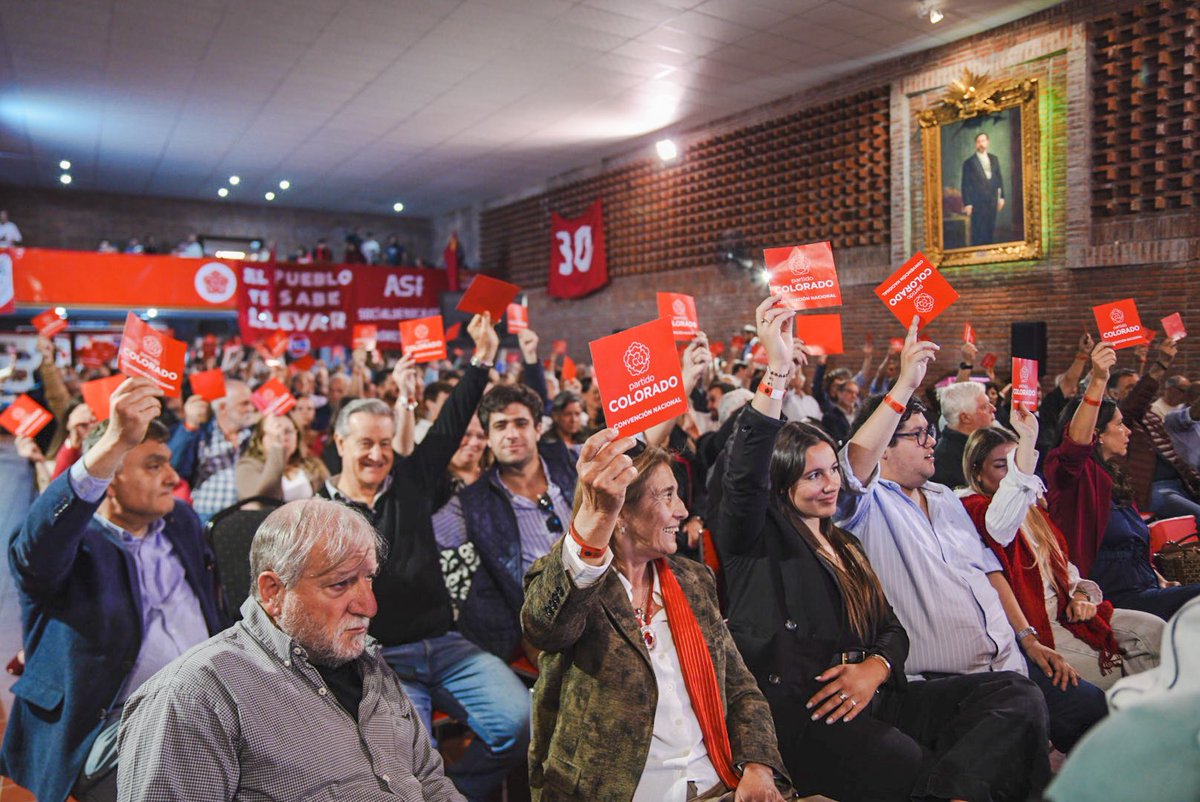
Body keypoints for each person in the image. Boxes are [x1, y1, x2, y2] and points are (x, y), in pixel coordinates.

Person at [719, 297, 1050, 801]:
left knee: (1016, 695)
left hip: (875, 693)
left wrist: (874, 668)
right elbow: (744, 475)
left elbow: (891, 629)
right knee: (910, 761)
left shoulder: (843, 543)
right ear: (783, 482)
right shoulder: (756, 541)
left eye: (832, 470)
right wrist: (778, 372)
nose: (831, 485)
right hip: (812, 711)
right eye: (813, 475)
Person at [836, 317, 1106, 754]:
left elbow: (990, 569)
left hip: (1009, 660)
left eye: (930, 432)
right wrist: (904, 384)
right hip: (949, 683)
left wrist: (1028, 638)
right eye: (917, 435)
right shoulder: (866, 506)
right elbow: (852, 468)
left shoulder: (943, 497)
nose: (930, 442)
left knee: (1091, 710)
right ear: (886, 446)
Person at [116, 499, 464, 802]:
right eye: (341, 583)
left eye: (368, 578)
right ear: (272, 592)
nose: (369, 606)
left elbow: (430, 781)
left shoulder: (367, 663)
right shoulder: (194, 697)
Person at [319, 313, 529, 802]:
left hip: (448, 645)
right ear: (340, 444)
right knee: (410, 762)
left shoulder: (411, 481)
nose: (376, 454)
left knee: (520, 724)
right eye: (365, 444)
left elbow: (454, 421)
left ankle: (457, 793)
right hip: (380, 660)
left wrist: (481, 359)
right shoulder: (319, 513)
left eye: (385, 443)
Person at [522, 433, 790, 802]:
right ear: (622, 514)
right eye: (666, 495)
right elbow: (545, 628)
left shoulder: (693, 579)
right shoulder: (575, 582)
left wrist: (758, 767)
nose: (682, 509)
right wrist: (597, 515)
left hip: (718, 781)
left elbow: (740, 689)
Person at [0, 378, 223, 802]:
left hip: (204, 707)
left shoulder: (182, 523)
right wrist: (114, 442)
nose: (173, 477)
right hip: (107, 724)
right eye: (154, 465)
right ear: (111, 477)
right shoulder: (70, 543)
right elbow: (35, 548)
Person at [961, 414, 1163, 690]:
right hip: (1034, 618)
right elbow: (999, 530)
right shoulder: (974, 511)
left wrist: (1080, 595)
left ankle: (1157, 716)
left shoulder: (1033, 511)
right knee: (1112, 668)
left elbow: (1066, 569)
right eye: (1001, 466)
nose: (1013, 476)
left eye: (1018, 465)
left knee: (1157, 632)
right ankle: (1132, 718)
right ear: (977, 473)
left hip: (1065, 605)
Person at [1046, 342, 1200, 620]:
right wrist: (1099, 379)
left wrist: (1159, 579)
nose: (1127, 430)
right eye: (1119, 424)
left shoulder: (1112, 478)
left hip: (1146, 591)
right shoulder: (1072, 478)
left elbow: (1131, 546)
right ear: (1097, 434)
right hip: (1112, 600)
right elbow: (1075, 445)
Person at [434, 383, 577, 659]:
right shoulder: (472, 505)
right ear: (488, 437)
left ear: (538, 428)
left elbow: (639, 447)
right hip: (541, 625)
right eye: (500, 426)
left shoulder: (571, 461)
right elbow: (417, 539)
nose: (511, 434)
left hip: (604, 597)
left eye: (520, 423)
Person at [167, 380, 260, 522]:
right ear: (223, 407)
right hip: (204, 518)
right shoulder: (202, 434)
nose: (251, 408)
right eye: (244, 403)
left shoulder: (255, 435)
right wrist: (190, 425)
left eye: (251, 403)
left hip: (244, 520)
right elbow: (172, 465)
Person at [234, 413, 330, 502]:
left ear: (297, 435)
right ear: (261, 439)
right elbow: (262, 498)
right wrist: (277, 447)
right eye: (276, 433)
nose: (282, 437)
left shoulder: (314, 465)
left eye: (288, 431)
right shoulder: (247, 466)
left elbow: (329, 499)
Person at [931, 381, 996, 488]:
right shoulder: (946, 464)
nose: (993, 408)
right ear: (965, 418)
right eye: (984, 407)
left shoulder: (980, 444)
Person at [961, 132, 1005, 245]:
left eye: (983, 141)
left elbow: (999, 179)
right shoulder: (969, 163)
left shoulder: (994, 159)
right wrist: (968, 204)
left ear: (988, 142)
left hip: (992, 200)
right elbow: (965, 184)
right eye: (978, 141)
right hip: (977, 202)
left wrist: (1001, 198)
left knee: (990, 228)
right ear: (976, 144)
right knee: (979, 230)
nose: (981, 144)